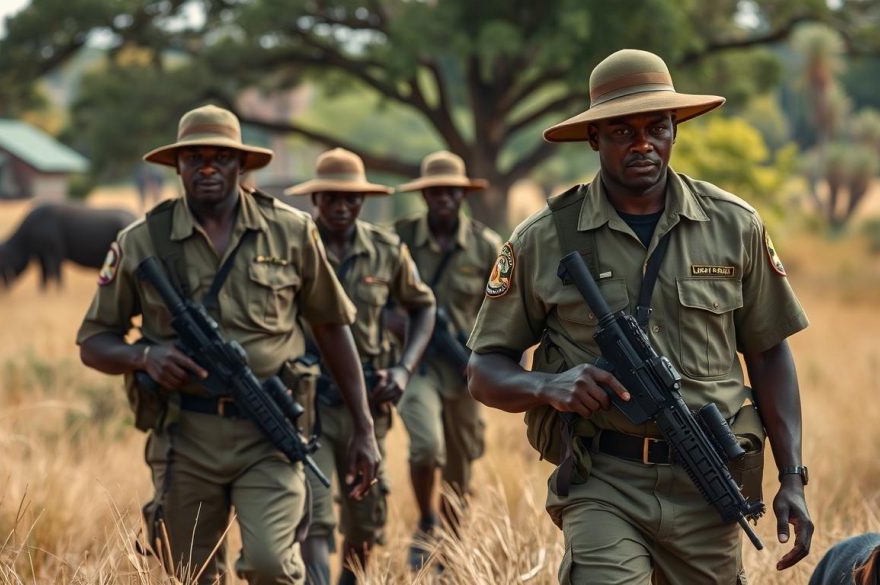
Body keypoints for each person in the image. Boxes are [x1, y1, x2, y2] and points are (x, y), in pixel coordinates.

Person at [466, 49, 814, 584]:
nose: (643, 144)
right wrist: (549, 385)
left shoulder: (733, 224)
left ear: (675, 130)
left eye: (657, 127)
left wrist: (791, 476)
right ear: (594, 138)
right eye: (622, 131)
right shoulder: (544, 238)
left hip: (710, 483)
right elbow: (484, 370)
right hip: (604, 480)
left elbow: (768, 353)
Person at [76, 105, 381, 585]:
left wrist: (364, 428)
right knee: (190, 574)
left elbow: (332, 326)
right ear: (177, 166)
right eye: (195, 158)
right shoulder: (142, 241)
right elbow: (93, 341)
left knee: (272, 566)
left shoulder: (291, 230)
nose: (208, 168)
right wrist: (143, 356)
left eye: (221, 157)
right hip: (186, 436)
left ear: (243, 165)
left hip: (271, 432)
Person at [284, 148, 436, 585]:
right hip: (305, 400)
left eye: (351, 198)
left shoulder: (386, 250)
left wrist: (405, 368)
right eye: (332, 197)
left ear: (363, 200)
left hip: (367, 404)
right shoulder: (294, 246)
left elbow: (423, 307)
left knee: (365, 515)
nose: (342, 206)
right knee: (312, 512)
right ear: (316, 200)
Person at [389, 150, 500, 570]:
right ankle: (426, 520)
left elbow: (505, 310)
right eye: (435, 191)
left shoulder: (487, 246)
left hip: (467, 370)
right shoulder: (397, 239)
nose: (444, 198)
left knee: (460, 469)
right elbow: (373, 299)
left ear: (462, 194)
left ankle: (448, 551)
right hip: (417, 366)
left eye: (451, 191)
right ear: (425, 194)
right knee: (426, 446)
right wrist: (398, 324)